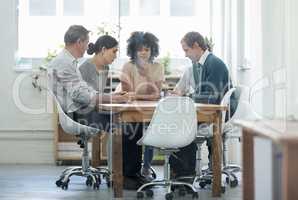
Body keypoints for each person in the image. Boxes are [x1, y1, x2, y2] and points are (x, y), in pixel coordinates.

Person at [169, 31, 235, 178]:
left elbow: (212, 98)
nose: (185, 54)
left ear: (196, 46)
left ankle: (183, 174)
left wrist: (186, 96)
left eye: (186, 50)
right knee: (178, 122)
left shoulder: (214, 64)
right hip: (209, 112)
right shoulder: (200, 65)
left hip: (219, 115)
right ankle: (180, 173)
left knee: (181, 124)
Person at [47, 25, 129, 130]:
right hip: (75, 114)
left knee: (119, 120)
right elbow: (81, 95)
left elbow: (85, 89)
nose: (87, 47)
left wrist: (110, 96)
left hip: (80, 111)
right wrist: (111, 98)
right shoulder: (64, 63)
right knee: (120, 123)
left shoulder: (69, 61)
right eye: (86, 43)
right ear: (79, 42)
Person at [119, 31, 164, 189]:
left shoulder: (158, 67)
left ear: (153, 50)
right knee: (131, 130)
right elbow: (128, 94)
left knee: (153, 131)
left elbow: (157, 94)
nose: (143, 53)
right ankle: (130, 173)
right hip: (133, 112)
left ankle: (145, 169)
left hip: (152, 112)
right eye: (140, 49)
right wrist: (147, 96)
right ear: (133, 50)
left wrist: (147, 76)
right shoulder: (127, 66)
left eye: (147, 49)